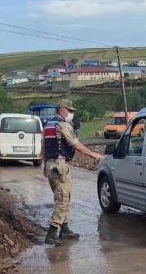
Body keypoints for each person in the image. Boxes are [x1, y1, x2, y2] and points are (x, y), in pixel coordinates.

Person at [42, 99, 104, 245]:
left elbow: (44, 146)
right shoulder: (62, 125)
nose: (71, 114)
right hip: (60, 165)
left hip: (51, 164)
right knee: (63, 200)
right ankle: (52, 233)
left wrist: (44, 164)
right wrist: (95, 155)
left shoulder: (48, 124)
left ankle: (64, 229)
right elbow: (77, 145)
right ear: (62, 110)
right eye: (70, 111)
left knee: (61, 197)